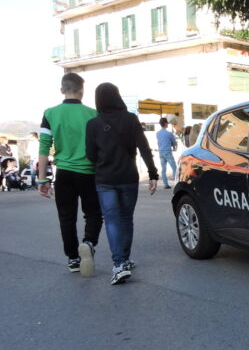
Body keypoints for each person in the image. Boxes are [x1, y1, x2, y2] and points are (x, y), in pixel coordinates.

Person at [85, 83, 159, 285]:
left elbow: (91, 155)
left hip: (105, 179)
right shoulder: (131, 119)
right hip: (128, 177)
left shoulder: (93, 124)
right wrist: (153, 174)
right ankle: (123, 260)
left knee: (112, 220)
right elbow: (144, 148)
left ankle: (120, 263)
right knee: (126, 218)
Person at [37, 72, 102, 276]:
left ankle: (73, 258)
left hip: (63, 172)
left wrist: (42, 179)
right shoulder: (94, 114)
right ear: (82, 91)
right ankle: (89, 243)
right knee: (93, 213)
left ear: (62, 90)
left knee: (66, 217)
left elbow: (44, 149)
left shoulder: (50, 113)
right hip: (89, 172)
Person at [156, 117, 177, 189]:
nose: (168, 124)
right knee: (174, 168)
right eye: (167, 122)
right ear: (165, 123)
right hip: (167, 151)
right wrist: (174, 146)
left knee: (163, 169)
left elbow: (159, 142)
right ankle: (176, 183)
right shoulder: (169, 133)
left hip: (161, 152)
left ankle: (165, 184)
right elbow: (174, 142)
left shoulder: (158, 133)